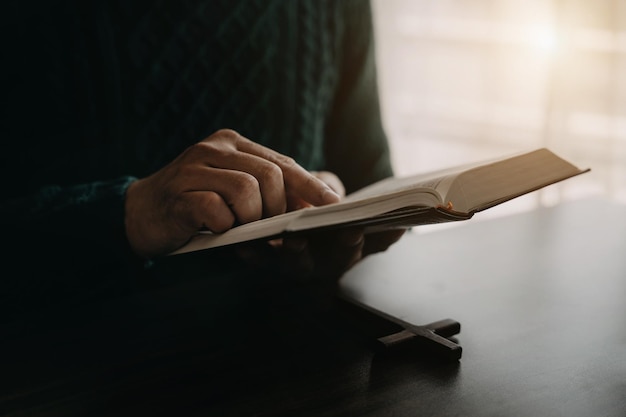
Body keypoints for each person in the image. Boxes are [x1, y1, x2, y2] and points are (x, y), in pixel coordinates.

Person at [0, 0, 404, 318]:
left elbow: (370, 181)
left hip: (294, 354)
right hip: (74, 369)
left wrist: (337, 231)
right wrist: (133, 213)